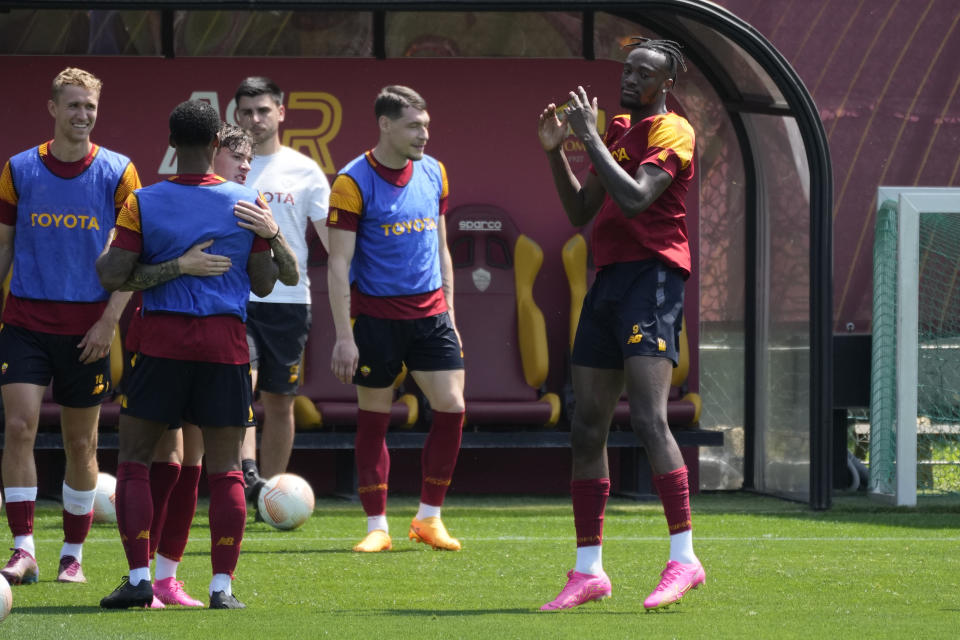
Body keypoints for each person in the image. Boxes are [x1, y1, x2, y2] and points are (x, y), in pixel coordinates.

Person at [537, 38, 703, 611]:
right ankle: (589, 571)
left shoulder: (672, 132)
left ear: (666, 84)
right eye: (627, 69)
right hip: (608, 282)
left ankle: (684, 558)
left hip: (652, 280)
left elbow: (635, 199)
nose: (629, 78)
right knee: (587, 427)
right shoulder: (619, 129)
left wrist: (588, 136)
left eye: (644, 72)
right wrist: (557, 150)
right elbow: (583, 211)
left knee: (651, 419)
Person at [96, 99, 278, 609]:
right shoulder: (247, 202)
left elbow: (111, 275)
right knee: (227, 470)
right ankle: (222, 588)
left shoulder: (144, 202)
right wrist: (266, 236)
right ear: (217, 145)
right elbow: (263, 283)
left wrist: (164, 266)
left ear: (172, 146)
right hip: (224, 346)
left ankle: (138, 579)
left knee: (134, 461)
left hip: (159, 344)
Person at [141, 123, 298, 609]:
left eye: (250, 159)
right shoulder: (163, 199)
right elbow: (120, 271)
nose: (245, 166)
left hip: (212, 343)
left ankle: (165, 577)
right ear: (213, 154)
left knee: (193, 462)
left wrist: (272, 235)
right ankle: (145, 574)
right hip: (163, 339)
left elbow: (278, 280)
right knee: (166, 461)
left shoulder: (249, 209)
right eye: (236, 156)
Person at [0, 67, 140, 586]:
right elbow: (4, 246)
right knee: (19, 428)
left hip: (90, 328)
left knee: (82, 444)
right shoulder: (18, 169)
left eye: (91, 107)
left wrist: (108, 321)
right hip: (26, 322)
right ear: (53, 108)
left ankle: (72, 554)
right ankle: (23, 549)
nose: (83, 115)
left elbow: (131, 255)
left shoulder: (120, 171)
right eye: (74, 105)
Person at [327, 85, 465, 553]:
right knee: (374, 418)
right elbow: (338, 264)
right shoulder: (351, 181)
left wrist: (450, 308)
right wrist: (345, 337)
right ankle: (377, 525)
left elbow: (441, 247)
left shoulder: (435, 173)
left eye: (425, 125)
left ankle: (429, 518)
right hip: (377, 319)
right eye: (413, 125)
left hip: (431, 315)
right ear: (385, 125)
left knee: (452, 406)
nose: (423, 134)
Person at [232, 76, 330, 503]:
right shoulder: (228, 166)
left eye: (263, 110)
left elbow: (335, 243)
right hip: (235, 297)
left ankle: (269, 496)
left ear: (281, 113)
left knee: (280, 401)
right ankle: (244, 482)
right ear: (235, 115)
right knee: (240, 388)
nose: (255, 119)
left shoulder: (305, 170)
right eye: (247, 111)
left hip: (290, 301)